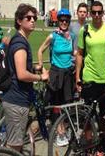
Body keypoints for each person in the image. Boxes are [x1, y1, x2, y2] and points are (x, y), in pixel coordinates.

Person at [1, 4, 49, 153]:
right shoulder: (21, 43)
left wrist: (34, 68)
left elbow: (17, 68)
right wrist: (41, 77)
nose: (33, 20)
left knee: (16, 143)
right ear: (19, 21)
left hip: (15, 97)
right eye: (28, 18)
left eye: (34, 17)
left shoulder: (18, 40)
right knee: (14, 147)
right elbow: (21, 74)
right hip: (17, 100)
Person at [75, 0, 105, 132]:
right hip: (89, 78)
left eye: (99, 12)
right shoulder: (85, 30)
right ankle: (88, 147)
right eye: (94, 12)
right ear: (90, 13)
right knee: (87, 116)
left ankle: (102, 145)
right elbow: (79, 54)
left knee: (104, 117)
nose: (97, 15)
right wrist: (77, 77)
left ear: (103, 13)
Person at [37, 8, 76, 146]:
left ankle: (65, 128)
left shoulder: (71, 36)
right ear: (58, 21)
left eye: (66, 20)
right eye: (61, 20)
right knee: (56, 103)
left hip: (68, 73)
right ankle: (59, 133)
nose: (64, 22)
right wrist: (42, 67)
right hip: (55, 72)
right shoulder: (53, 36)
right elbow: (40, 50)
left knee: (67, 103)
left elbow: (74, 53)